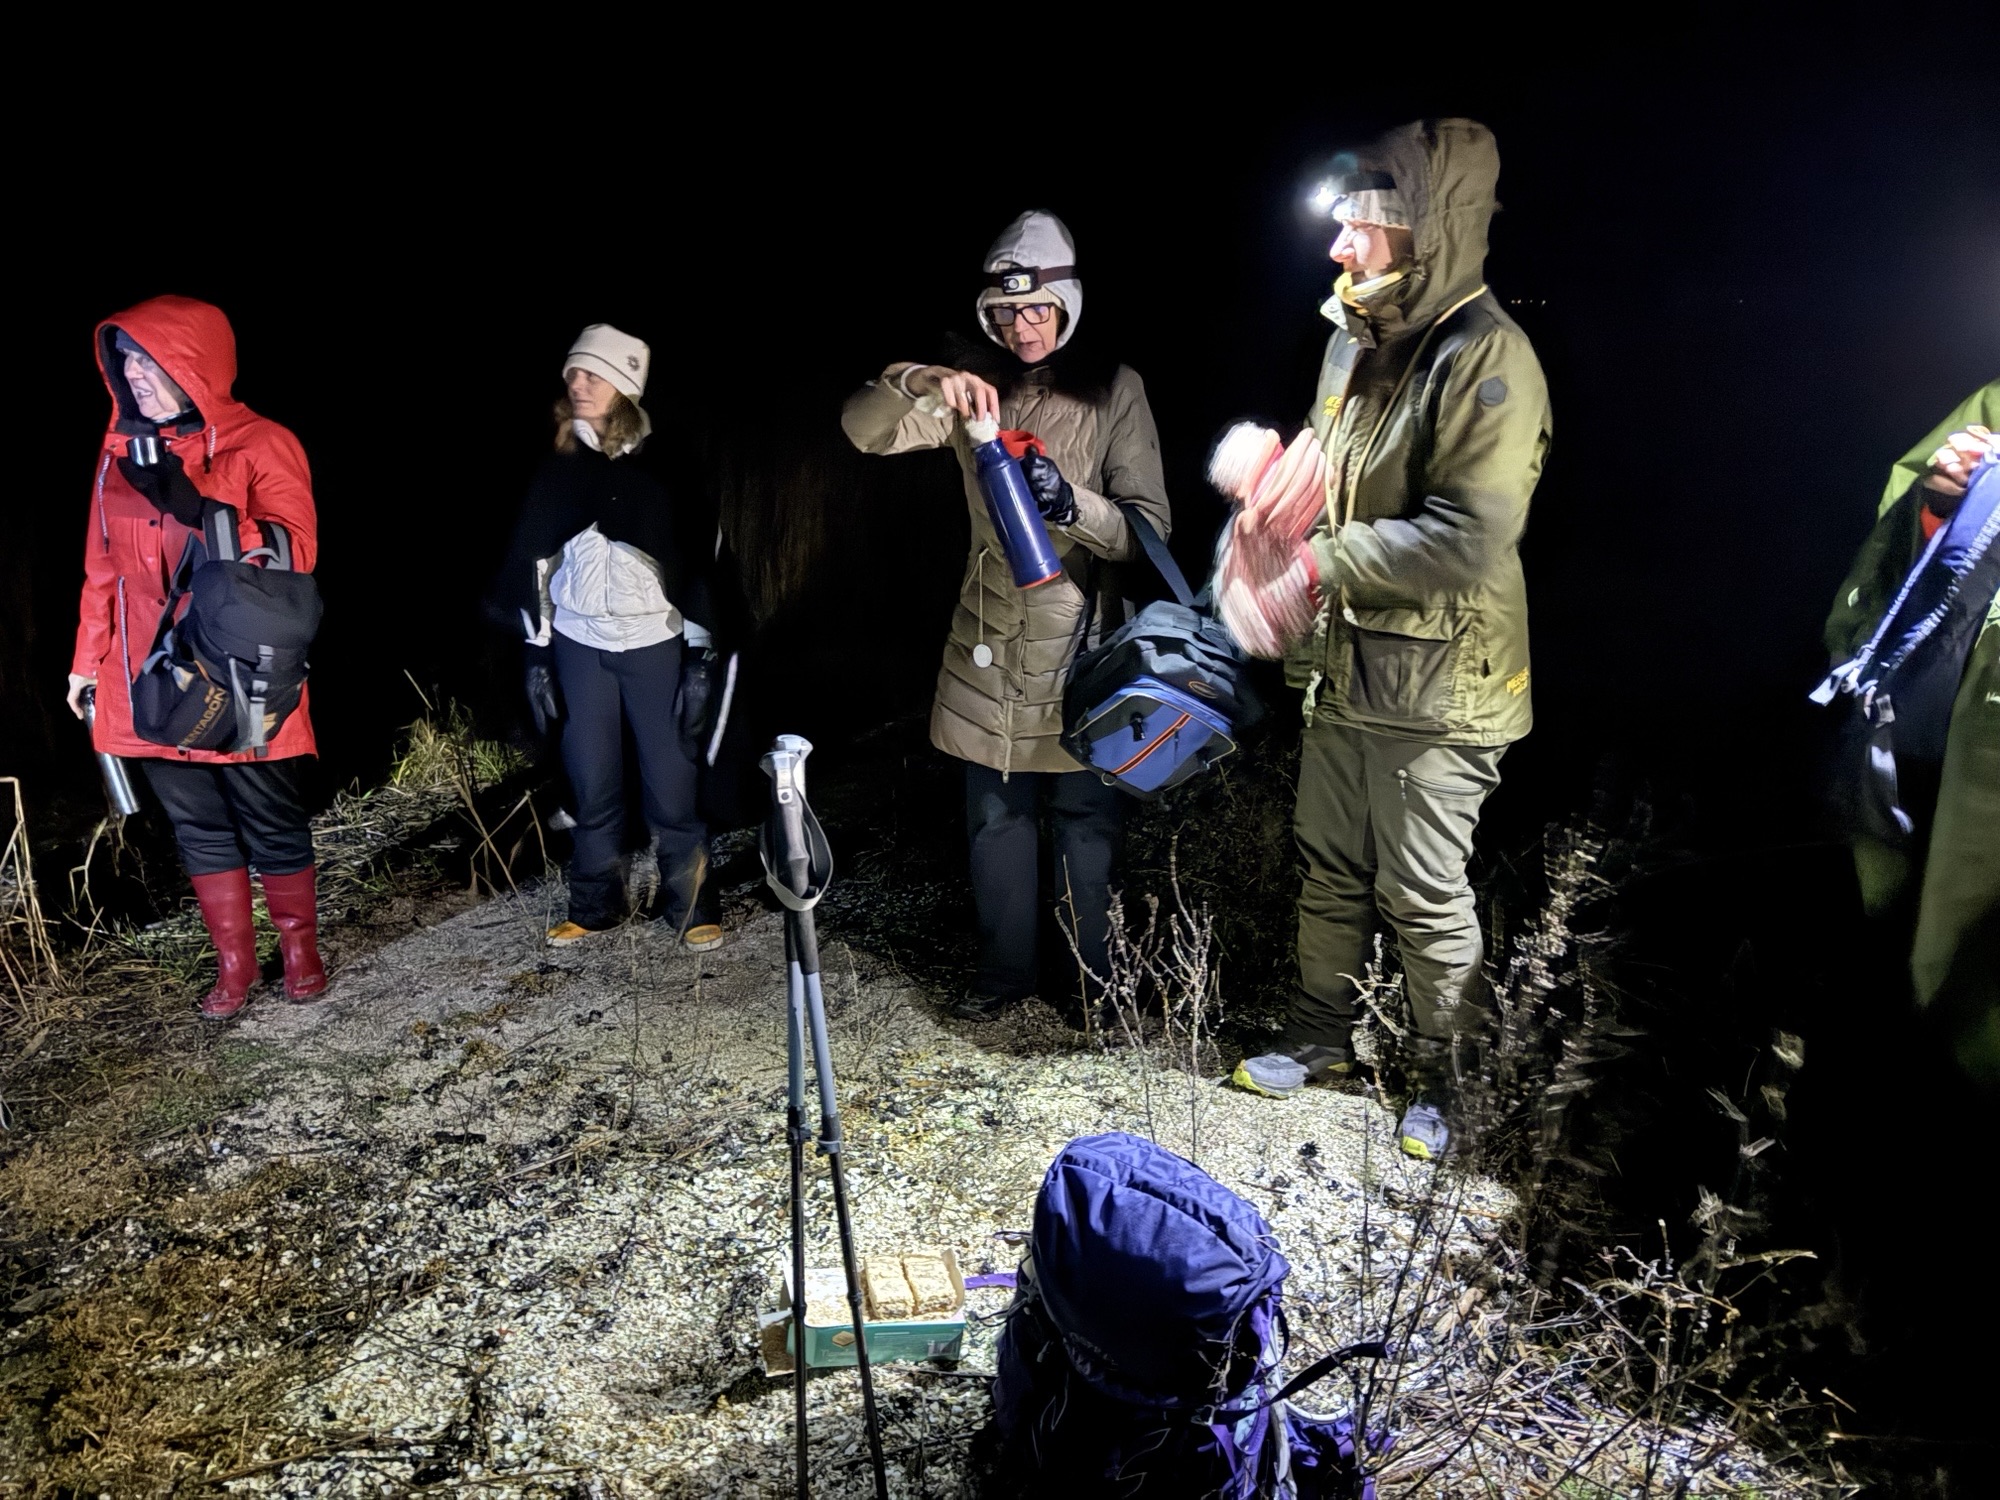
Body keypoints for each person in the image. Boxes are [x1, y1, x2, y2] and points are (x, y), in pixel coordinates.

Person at [1231, 120, 1553, 1162]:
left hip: (1442, 682)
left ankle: (1443, 1083)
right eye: (1338, 224)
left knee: (1422, 891)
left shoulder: (1487, 354)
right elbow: (1335, 471)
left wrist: (1315, 565)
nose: (1339, 247)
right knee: (1328, 865)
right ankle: (1317, 1040)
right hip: (1346, 665)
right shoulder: (1353, 337)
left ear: (1428, 230)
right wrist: (1277, 489)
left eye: (1362, 227)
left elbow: (1467, 537)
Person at [841, 210, 1172, 1021]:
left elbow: (1148, 530)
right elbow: (862, 432)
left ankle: (1094, 990)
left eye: (1037, 310)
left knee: (1086, 824)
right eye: (1005, 312)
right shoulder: (972, 390)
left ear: (1068, 306)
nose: (1022, 327)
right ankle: (1003, 980)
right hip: (986, 638)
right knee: (995, 818)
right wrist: (920, 379)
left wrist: (1072, 502)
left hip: (1082, 644)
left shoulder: (1115, 389)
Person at [68, 296, 327, 1020]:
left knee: (269, 815)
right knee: (197, 823)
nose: (135, 375)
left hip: (240, 669)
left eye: (150, 361)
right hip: (149, 677)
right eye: (125, 361)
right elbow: (102, 570)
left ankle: (300, 949)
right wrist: (85, 662)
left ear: (195, 366)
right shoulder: (118, 453)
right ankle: (235, 963)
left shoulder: (263, 442)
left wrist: (198, 507)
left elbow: (296, 554)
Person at [498, 324, 723, 951]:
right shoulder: (560, 465)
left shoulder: (663, 465)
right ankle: (596, 906)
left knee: (670, 781)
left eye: (592, 373)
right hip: (579, 643)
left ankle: (691, 905)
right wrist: (538, 648)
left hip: (654, 641)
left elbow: (696, 562)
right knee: (591, 780)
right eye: (572, 372)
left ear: (624, 386)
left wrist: (700, 655)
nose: (577, 382)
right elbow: (537, 563)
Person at [1821, 386, 1998, 1082]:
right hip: (1939, 727)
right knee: (1901, 954)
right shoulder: (1994, 403)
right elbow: (1904, 543)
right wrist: (1942, 506)